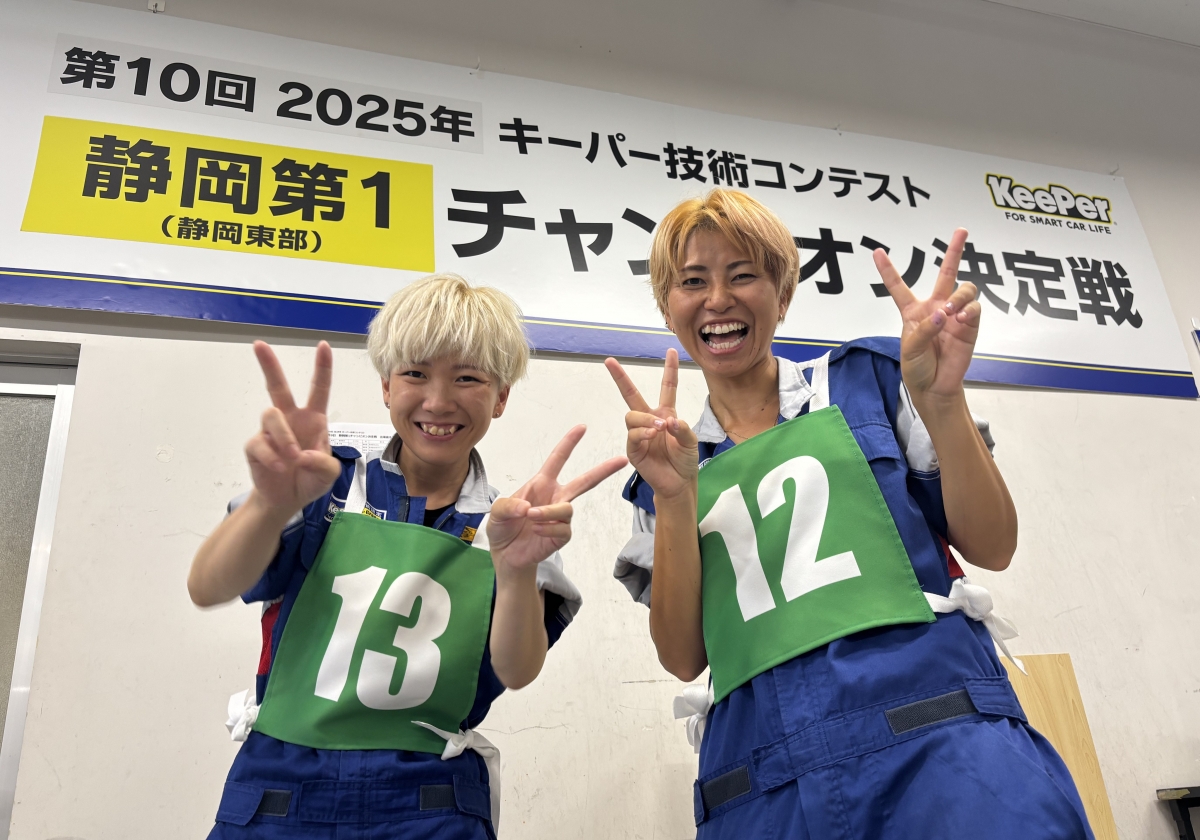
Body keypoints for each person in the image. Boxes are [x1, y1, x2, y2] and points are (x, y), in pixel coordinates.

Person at [606, 189, 1093, 839]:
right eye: (693, 281)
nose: (717, 299)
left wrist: (942, 400)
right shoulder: (664, 466)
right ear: (668, 308)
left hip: (943, 749)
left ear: (783, 294)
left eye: (742, 274)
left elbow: (992, 545)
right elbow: (682, 656)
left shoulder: (872, 381)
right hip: (764, 784)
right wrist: (673, 497)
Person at [189, 273, 626, 839]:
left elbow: (517, 671)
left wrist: (517, 570)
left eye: (467, 377)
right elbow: (208, 586)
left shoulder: (513, 522)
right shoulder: (324, 485)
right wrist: (270, 505)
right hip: (278, 793)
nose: (438, 401)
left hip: (432, 803)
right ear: (386, 386)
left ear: (500, 397)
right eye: (415, 373)